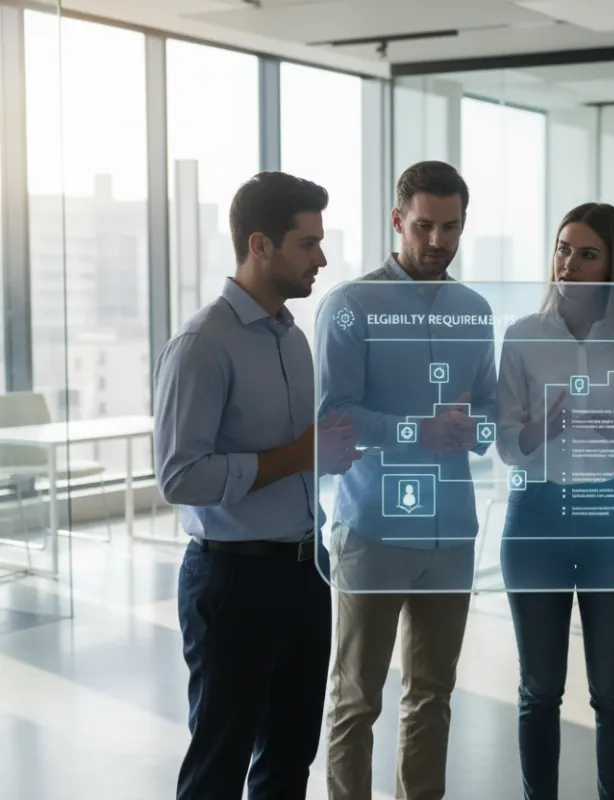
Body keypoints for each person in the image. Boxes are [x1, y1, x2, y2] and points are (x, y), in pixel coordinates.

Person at [155, 171, 361, 800]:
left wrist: (323, 454)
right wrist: (296, 456)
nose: (322, 258)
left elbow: (301, 457)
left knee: (291, 756)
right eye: (308, 243)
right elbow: (179, 475)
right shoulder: (201, 344)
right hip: (233, 581)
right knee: (220, 760)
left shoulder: (294, 339)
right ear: (259, 245)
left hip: (306, 572)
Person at [318, 161, 498, 800]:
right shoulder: (351, 306)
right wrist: (416, 431)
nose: (437, 242)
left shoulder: (476, 312)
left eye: (450, 227)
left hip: (451, 532)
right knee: (357, 698)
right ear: (397, 220)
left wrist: (498, 423)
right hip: (374, 528)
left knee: (433, 695)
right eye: (423, 226)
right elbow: (332, 417)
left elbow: (489, 417)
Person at [494, 203, 614, 800]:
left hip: (613, 518)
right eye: (564, 248)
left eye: (587, 253)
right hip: (536, 515)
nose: (569, 262)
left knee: (613, 691)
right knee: (539, 689)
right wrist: (539, 431)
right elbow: (506, 447)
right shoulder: (521, 336)